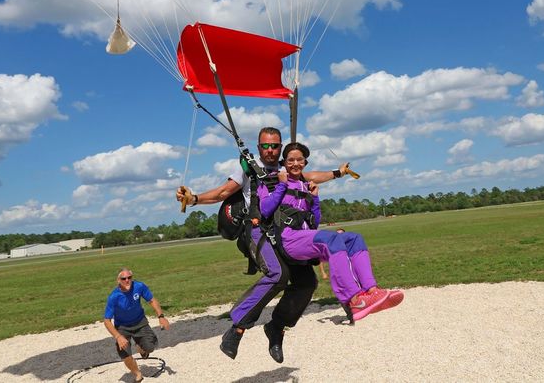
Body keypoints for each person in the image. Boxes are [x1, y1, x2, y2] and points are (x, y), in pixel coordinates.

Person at [176, 126, 353, 363]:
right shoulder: (247, 168)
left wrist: (338, 173)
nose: (270, 150)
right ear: (259, 147)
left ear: (280, 147)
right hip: (258, 229)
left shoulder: (285, 167)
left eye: (275, 146)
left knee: (306, 282)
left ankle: (276, 327)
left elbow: (310, 176)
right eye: (265, 146)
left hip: (283, 231)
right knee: (278, 274)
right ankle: (237, 328)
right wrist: (194, 198)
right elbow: (222, 193)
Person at [261, 142, 404, 322]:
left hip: (304, 239)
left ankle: (372, 291)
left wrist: (315, 198)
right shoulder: (275, 181)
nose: (295, 164)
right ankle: (354, 299)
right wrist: (282, 186)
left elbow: (315, 221)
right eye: (290, 160)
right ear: (284, 163)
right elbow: (265, 210)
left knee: (353, 239)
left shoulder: (305, 185)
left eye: (299, 160)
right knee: (331, 238)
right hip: (288, 239)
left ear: (305, 162)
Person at [104, 268, 170, 382]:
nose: (127, 280)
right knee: (124, 353)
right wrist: (118, 337)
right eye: (123, 278)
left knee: (150, 347)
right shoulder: (114, 297)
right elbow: (107, 320)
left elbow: (152, 300)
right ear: (118, 280)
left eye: (129, 277)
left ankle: (141, 348)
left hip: (140, 322)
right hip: (122, 327)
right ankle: (137, 373)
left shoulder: (139, 286)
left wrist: (161, 316)